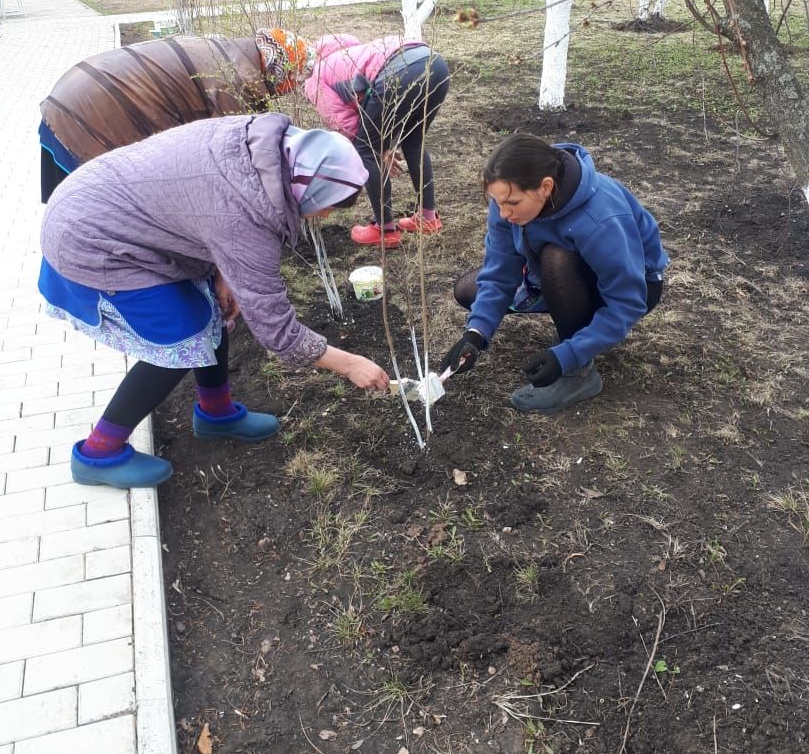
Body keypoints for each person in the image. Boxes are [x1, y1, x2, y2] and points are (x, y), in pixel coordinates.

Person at [39, 112, 390, 489]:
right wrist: (350, 364)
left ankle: (216, 413)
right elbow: (276, 330)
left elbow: (203, 205)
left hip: (109, 208)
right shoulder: (245, 218)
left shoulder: (257, 148)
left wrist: (223, 274)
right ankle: (99, 453)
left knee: (213, 311)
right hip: (92, 239)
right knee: (179, 339)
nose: (323, 216)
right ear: (309, 187)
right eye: (328, 206)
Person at [441, 132, 668, 413]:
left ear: (546, 187)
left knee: (557, 259)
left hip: (634, 288)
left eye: (511, 204)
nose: (502, 213)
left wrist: (566, 356)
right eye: (497, 202)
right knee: (469, 290)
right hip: (550, 274)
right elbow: (499, 274)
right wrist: (475, 334)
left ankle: (579, 375)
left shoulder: (600, 217)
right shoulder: (508, 200)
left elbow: (628, 301)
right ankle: (568, 312)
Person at [39, 28, 315, 201]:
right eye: (292, 83)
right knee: (90, 214)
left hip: (71, 97)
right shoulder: (234, 85)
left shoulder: (228, 52)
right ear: (281, 73)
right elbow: (227, 165)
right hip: (88, 123)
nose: (287, 91)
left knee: (70, 205)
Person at [301, 33, 450, 247]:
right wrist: (384, 145)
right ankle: (427, 218)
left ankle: (385, 229)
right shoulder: (348, 53)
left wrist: (378, 149)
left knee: (364, 150)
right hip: (434, 62)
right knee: (414, 140)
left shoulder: (314, 79)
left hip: (400, 72)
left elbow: (347, 126)